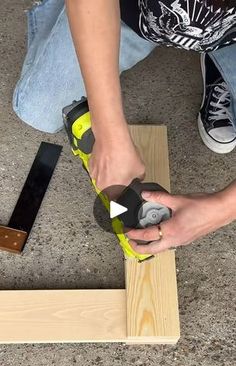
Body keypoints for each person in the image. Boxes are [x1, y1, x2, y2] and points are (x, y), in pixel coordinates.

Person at [13, 0, 236, 253]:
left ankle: (218, 63)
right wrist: (110, 135)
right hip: (134, 12)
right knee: (39, 109)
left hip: (229, 33)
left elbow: (224, 208)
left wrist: (223, 208)